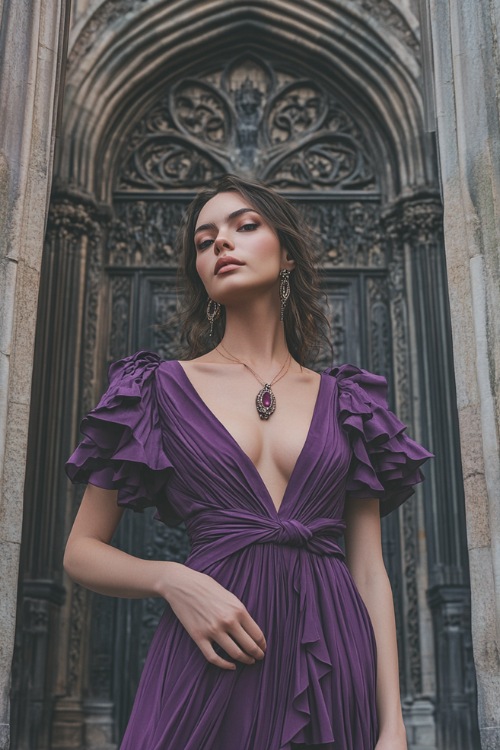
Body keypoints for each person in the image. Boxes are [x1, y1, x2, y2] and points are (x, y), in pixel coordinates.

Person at [64, 174, 432, 750]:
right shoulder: (154, 389)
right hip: (214, 655)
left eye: (244, 226)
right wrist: (172, 581)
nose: (221, 245)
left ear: (286, 254)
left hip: (333, 663)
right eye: (205, 240)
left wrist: (393, 724)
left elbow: (368, 571)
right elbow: (80, 551)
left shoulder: (349, 402)